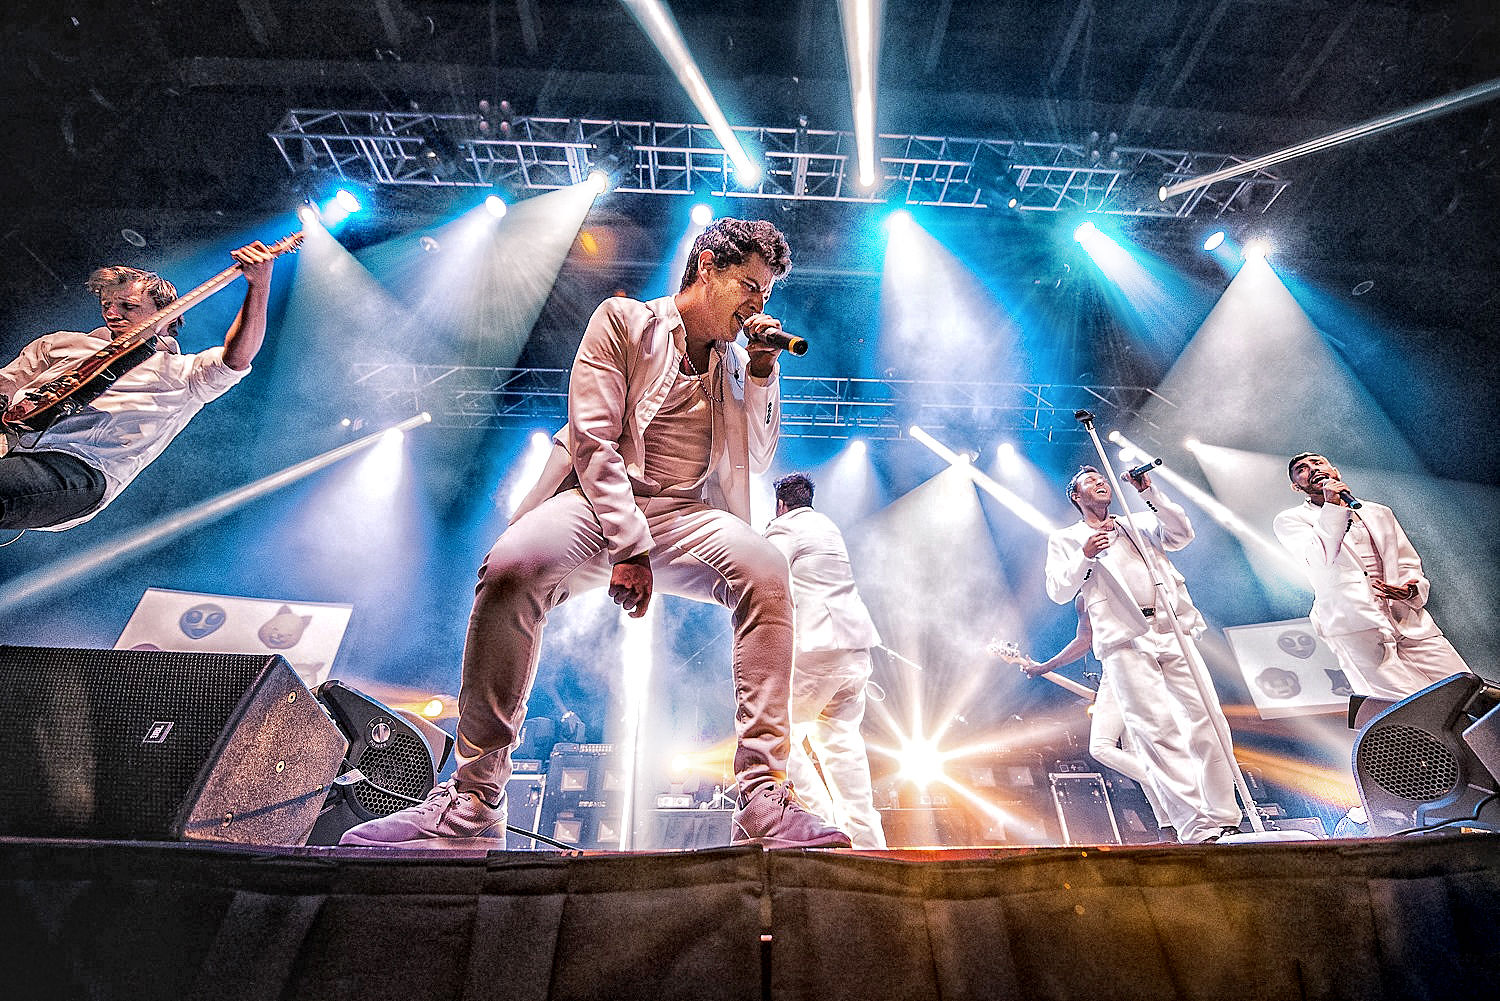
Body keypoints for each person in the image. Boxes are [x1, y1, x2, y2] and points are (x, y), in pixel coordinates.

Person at [342, 218, 851, 849]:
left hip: (687, 516)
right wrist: (628, 545)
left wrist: (765, 373)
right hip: (593, 501)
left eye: (767, 295)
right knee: (511, 568)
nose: (758, 304)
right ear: (708, 268)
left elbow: (759, 453)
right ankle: (473, 800)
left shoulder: (735, 363)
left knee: (768, 572)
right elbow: (595, 439)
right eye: (749, 285)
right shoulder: (623, 321)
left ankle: (764, 799)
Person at [0, 243, 277, 531]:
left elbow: (236, 358)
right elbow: (8, 381)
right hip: (10, 444)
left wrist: (259, 285)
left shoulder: (186, 374)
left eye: (128, 306)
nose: (112, 313)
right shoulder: (62, 343)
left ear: (167, 313)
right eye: (106, 304)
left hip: (81, 467)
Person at [1044, 464, 1242, 843]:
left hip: (1173, 628)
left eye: (1102, 479)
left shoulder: (1137, 522)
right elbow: (1057, 589)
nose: (1100, 482)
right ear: (1076, 496)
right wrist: (1084, 556)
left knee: (1209, 719)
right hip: (1124, 640)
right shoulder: (1066, 538)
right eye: (1090, 481)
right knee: (1156, 730)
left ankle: (1224, 815)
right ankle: (1197, 826)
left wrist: (1150, 493)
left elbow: (1182, 534)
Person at [1273, 452, 1471, 700]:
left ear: (1336, 471)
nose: (1312, 469)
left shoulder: (1379, 512)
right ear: (1296, 486)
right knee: (1403, 708)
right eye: (1301, 469)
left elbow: (1406, 560)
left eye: (1317, 463)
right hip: (1355, 625)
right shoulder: (1291, 520)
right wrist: (1333, 506)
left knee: (1464, 692)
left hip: (1407, 618)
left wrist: (1411, 589)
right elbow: (1318, 561)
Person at [763, 472, 885, 849]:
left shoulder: (785, 526)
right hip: (854, 649)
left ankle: (822, 825)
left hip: (817, 648)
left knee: (778, 737)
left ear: (781, 504)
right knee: (843, 749)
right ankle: (869, 845)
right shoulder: (826, 525)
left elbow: (764, 572)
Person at [1013, 595, 1172, 839]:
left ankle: (1170, 787)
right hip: (1121, 668)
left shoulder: (1117, 585)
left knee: (1105, 747)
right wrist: (1046, 666)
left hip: (1134, 664)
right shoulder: (1083, 598)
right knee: (1130, 753)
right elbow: (1084, 640)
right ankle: (1168, 826)